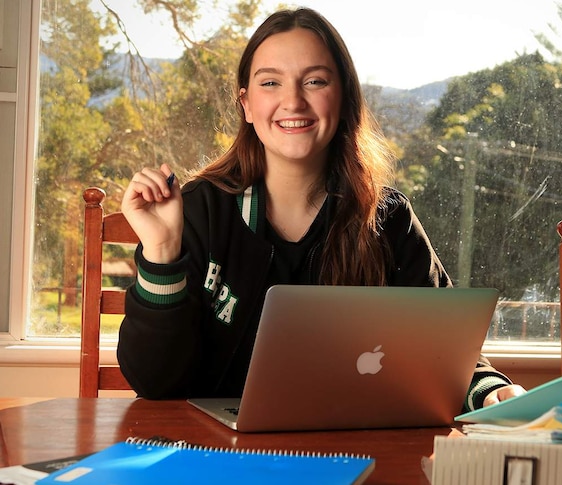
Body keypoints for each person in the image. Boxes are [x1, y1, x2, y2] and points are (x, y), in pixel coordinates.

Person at [117, 7, 525, 412]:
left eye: (314, 81)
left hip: (351, 447)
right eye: (271, 82)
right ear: (246, 104)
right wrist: (162, 249)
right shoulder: (200, 210)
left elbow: (446, 348)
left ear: (344, 96)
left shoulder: (389, 218)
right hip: (213, 457)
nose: (293, 101)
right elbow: (155, 383)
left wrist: (489, 390)